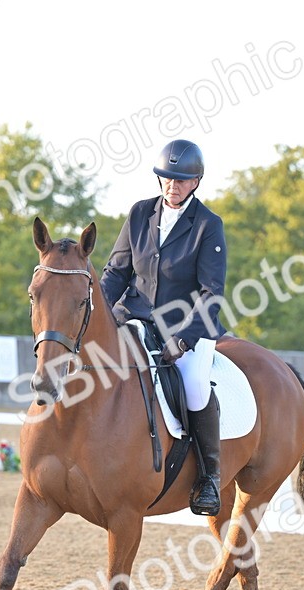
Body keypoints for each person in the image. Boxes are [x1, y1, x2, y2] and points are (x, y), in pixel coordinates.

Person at [99, 139, 227, 516]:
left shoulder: (207, 225)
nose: (172, 185)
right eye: (167, 178)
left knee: (194, 386)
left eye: (181, 180)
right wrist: (97, 315)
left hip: (185, 328)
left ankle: (209, 477)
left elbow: (212, 292)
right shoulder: (140, 214)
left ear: (196, 182)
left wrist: (185, 340)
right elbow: (116, 273)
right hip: (133, 319)